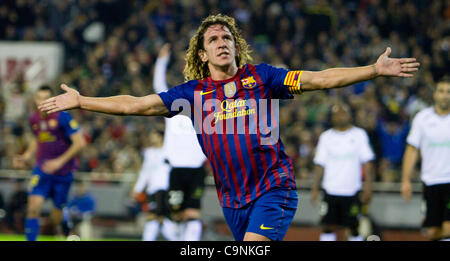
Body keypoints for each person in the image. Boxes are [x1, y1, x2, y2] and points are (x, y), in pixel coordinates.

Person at [38, 14, 420, 241]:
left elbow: (320, 78)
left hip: (274, 189)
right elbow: (136, 104)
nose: (222, 43)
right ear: (202, 54)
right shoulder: (193, 93)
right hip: (232, 199)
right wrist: (84, 101)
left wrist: (372, 70)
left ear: (236, 47)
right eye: (214, 39)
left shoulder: (263, 78)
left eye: (227, 38)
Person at [13, 85, 86, 241]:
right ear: (35, 99)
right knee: (33, 207)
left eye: (46, 97)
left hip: (63, 173)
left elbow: (79, 143)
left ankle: (67, 231)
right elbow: (37, 139)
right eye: (39, 97)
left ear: (53, 100)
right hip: (42, 170)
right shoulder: (34, 118)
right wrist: (26, 156)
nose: (42, 101)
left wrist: (59, 161)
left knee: (55, 218)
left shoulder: (63, 117)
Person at [153, 43, 207, 241]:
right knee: (175, 214)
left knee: (192, 213)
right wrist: (161, 60)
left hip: (196, 169)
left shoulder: (205, 108)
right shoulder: (173, 108)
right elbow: (159, 87)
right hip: (175, 168)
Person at [311, 103, 375, 241]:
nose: (340, 116)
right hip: (330, 190)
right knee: (327, 226)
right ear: (332, 117)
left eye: (343, 112)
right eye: (336, 113)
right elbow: (319, 164)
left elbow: (367, 163)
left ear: (349, 115)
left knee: (353, 227)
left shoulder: (359, 135)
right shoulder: (326, 137)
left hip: (352, 190)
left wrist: (368, 186)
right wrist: (315, 188)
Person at [401, 80, 450, 241]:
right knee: (431, 232)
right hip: (431, 181)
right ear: (435, 94)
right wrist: (405, 180)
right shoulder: (422, 119)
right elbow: (412, 149)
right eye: (441, 91)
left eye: (448, 92)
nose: (445, 96)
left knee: (448, 227)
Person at [131, 130, 177, 241]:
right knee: (158, 217)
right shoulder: (149, 152)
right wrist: (137, 188)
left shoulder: (169, 151)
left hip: (165, 188)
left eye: (154, 136)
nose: (151, 138)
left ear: (160, 137)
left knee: (156, 217)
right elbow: (145, 172)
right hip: (152, 189)